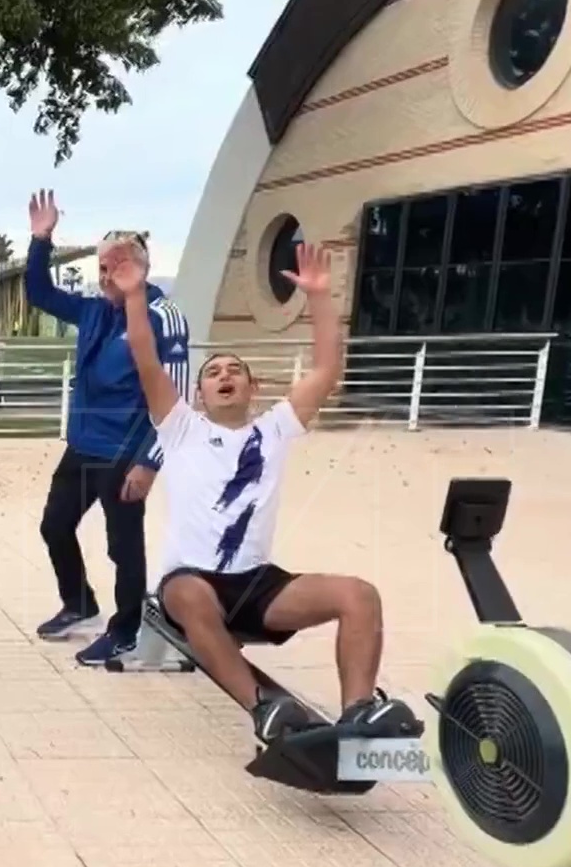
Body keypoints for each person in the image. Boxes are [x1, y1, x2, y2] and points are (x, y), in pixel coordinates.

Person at [114, 240, 421, 743]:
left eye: (235, 370)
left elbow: (325, 371)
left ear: (253, 389)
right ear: (199, 394)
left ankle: (359, 711)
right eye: (213, 372)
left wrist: (319, 297)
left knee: (359, 595)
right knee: (191, 595)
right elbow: (146, 360)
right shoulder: (180, 428)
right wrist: (133, 294)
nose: (224, 375)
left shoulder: (274, 429)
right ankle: (263, 709)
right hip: (190, 583)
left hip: (256, 584)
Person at [23, 190, 193, 667]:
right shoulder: (95, 310)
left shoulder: (163, 316)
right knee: (54, 525)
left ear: (140, 268)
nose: (106, 277)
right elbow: (39, 293)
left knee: (124, 548)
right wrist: (41, 240)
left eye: (116, 268)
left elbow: (174, 400)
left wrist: (149, 462)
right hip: (83, 445)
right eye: (101, 268)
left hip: (125, 451)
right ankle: (79, 602)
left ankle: (127, 629)